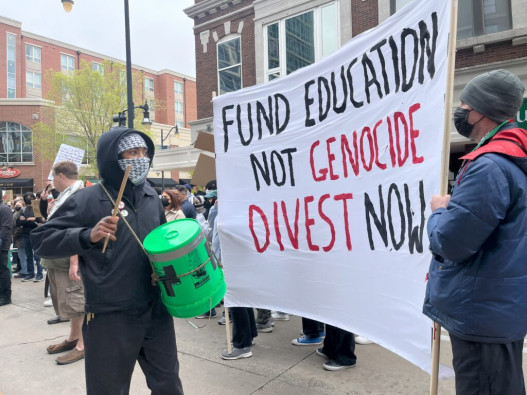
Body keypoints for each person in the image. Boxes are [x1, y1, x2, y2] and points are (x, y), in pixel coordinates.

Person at [32, 128, 184, 394]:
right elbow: (42, 240)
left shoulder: (151, 197)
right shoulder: (87, 199)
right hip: (110, 316)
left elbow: (161, 246)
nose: (141, 159)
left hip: (155, 311)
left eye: (144, 152)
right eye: (132, 152)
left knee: (169, 384)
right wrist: (86, 235)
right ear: (112, 158)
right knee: (108, 389)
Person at [423, 69, 527, 394]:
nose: (461, 111)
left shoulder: (489, 166)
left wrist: (439, 211)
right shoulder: (513, 159)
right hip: (499, 310)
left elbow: (451, 242)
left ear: (482, 110)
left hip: (480, 314)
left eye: (464, 104)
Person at [42, 160, 86, 365]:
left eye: (53, 177)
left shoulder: (78, 195)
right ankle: (73, 337)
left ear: (60, 176)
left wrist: (75, 261)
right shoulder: (65, 196)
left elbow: (78, 228)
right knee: (68, 304)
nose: (52, 182)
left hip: (68, 259)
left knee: (78, 303)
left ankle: (83, 345)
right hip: (57, 258)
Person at [17, 192, 43, 282]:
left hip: (36, 234)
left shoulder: (36, 206)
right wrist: (31, 219)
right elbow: (18, 222)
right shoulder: (23, 209)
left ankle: (39, 274)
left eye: (30, 197)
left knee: (37, 256)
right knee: (28, 255)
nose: (28, 199)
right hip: (25, 235)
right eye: (26, 197)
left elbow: (39, 221)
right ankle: (30, 273)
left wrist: (27, 220)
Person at [0, 189, 13, 306]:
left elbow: (6, 228)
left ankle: (5, 296)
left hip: (2, 246)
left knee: (2, 270)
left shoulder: (4, 209)